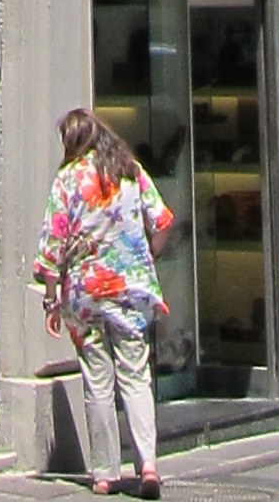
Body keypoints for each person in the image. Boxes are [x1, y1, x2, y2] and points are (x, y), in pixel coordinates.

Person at [35, 107, 174, 498]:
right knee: (136, 376)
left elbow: (52, 247)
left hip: (85, 295)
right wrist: (146, 256)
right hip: (130, 290)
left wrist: (51, 302)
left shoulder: (68, 179)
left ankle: (104, 474)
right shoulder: (130, 171)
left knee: (97, 382)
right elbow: (162, 221)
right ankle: (148, 464)